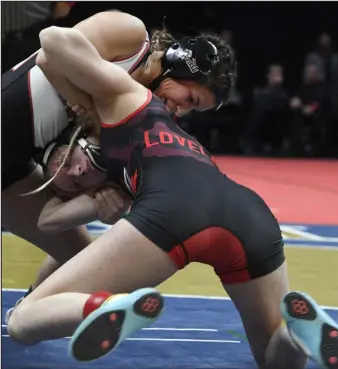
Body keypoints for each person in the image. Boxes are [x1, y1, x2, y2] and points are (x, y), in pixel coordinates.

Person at [7, 25, 338, 369]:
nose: (181, 111)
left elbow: (52, 39)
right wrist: (98, 205)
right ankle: (296, 332)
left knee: (22, 322)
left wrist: (91, 108)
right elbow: (50, 221)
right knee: (273, 360)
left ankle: (101, 306)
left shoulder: (128, 95)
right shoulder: (169, 131)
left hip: (178, 210)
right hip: (252, 215)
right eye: (190, 101)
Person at [2, 10, 233, 312]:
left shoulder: (140, 116)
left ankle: (26, 312)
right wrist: (91, 111)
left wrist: (102, 206)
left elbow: (51, 219)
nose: (181, 111)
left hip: (15, 166)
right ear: (180, 68)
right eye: (190, 99)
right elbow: (50, 48)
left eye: (193, 110)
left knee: (85, 262)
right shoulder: (130, 38)